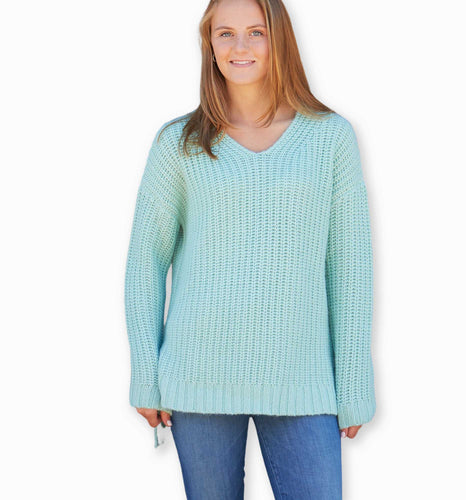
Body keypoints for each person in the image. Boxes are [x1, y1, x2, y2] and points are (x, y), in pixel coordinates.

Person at [124, 0, 376, 497]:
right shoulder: (179, 143)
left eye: (256, 32)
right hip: (198, 378)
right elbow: (144, 263)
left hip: (302, 381)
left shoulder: (330, 138)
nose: (240, 46)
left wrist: (353, 383)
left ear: (278, 37)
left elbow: (349, 269)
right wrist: (145, 376)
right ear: (209, 43)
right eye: (225, 33)